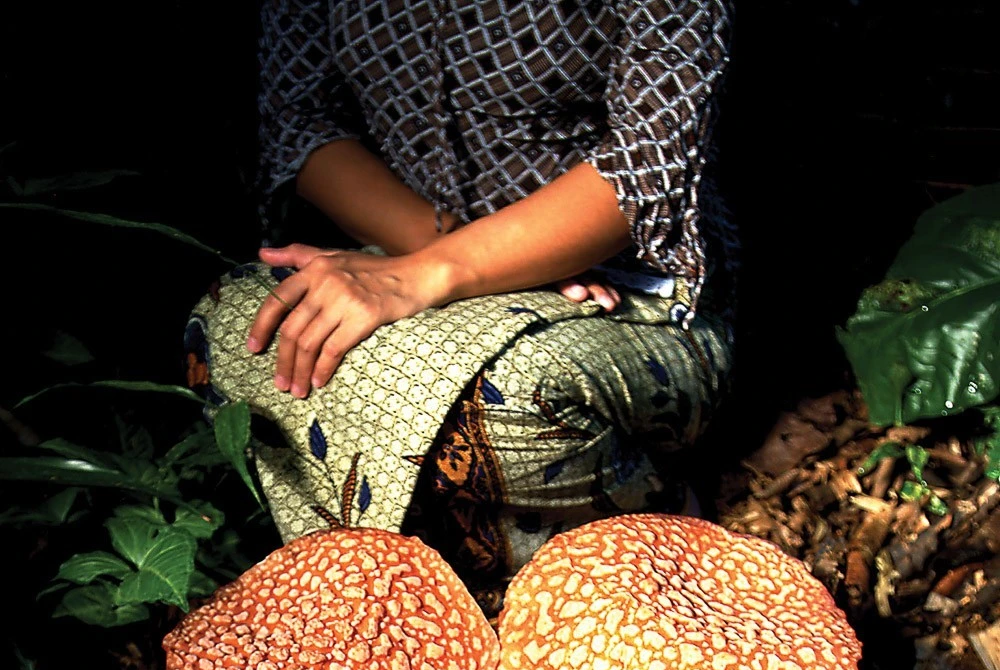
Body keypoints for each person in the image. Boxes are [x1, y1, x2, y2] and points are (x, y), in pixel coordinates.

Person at [187, 0, 735, 611]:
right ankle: (421, 609)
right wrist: (434, 257)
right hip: (405, 248)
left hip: (627, 287)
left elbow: (648, 162)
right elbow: (300, 121)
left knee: (496, 399)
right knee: (239, 322)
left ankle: (654, 543)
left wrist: (444, 271)